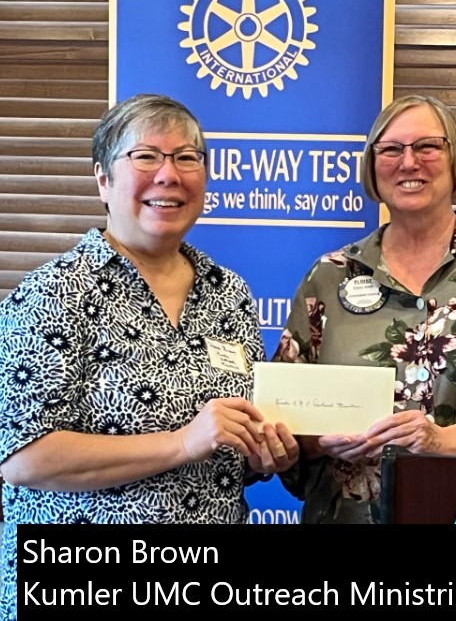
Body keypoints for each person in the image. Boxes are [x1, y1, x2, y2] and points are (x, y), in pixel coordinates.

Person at [0, 93, 298, 617]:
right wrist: (182, 443)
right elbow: (25, 459)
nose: (169, 175)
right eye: (146, 157)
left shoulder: (229, 293)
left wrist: (261, 454)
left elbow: (226, 447)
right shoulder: (53, 293)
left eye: (187, 157)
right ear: (103, 180)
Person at [272, 93, 456, 524]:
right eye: (391, 149)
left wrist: (443, 441)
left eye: (427, 146)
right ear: (372, 166)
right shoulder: (330, 276)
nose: (409, 162)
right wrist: (319, 441)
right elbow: (283, 417)